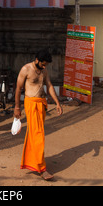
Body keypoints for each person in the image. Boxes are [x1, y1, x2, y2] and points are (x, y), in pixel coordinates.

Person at [14, 49, 63, 181]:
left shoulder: (44, 71)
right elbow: (18, 88)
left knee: (34, 134)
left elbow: (49, 85)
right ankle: (42, 169)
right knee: (38, 134)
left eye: (46, 64)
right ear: (37, 60)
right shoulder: (26, 69)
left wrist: (57, 103)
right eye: (43, 64)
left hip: (42, 104)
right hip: (31, 104)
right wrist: (17, 107)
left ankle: (30, 162)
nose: (44, 66)